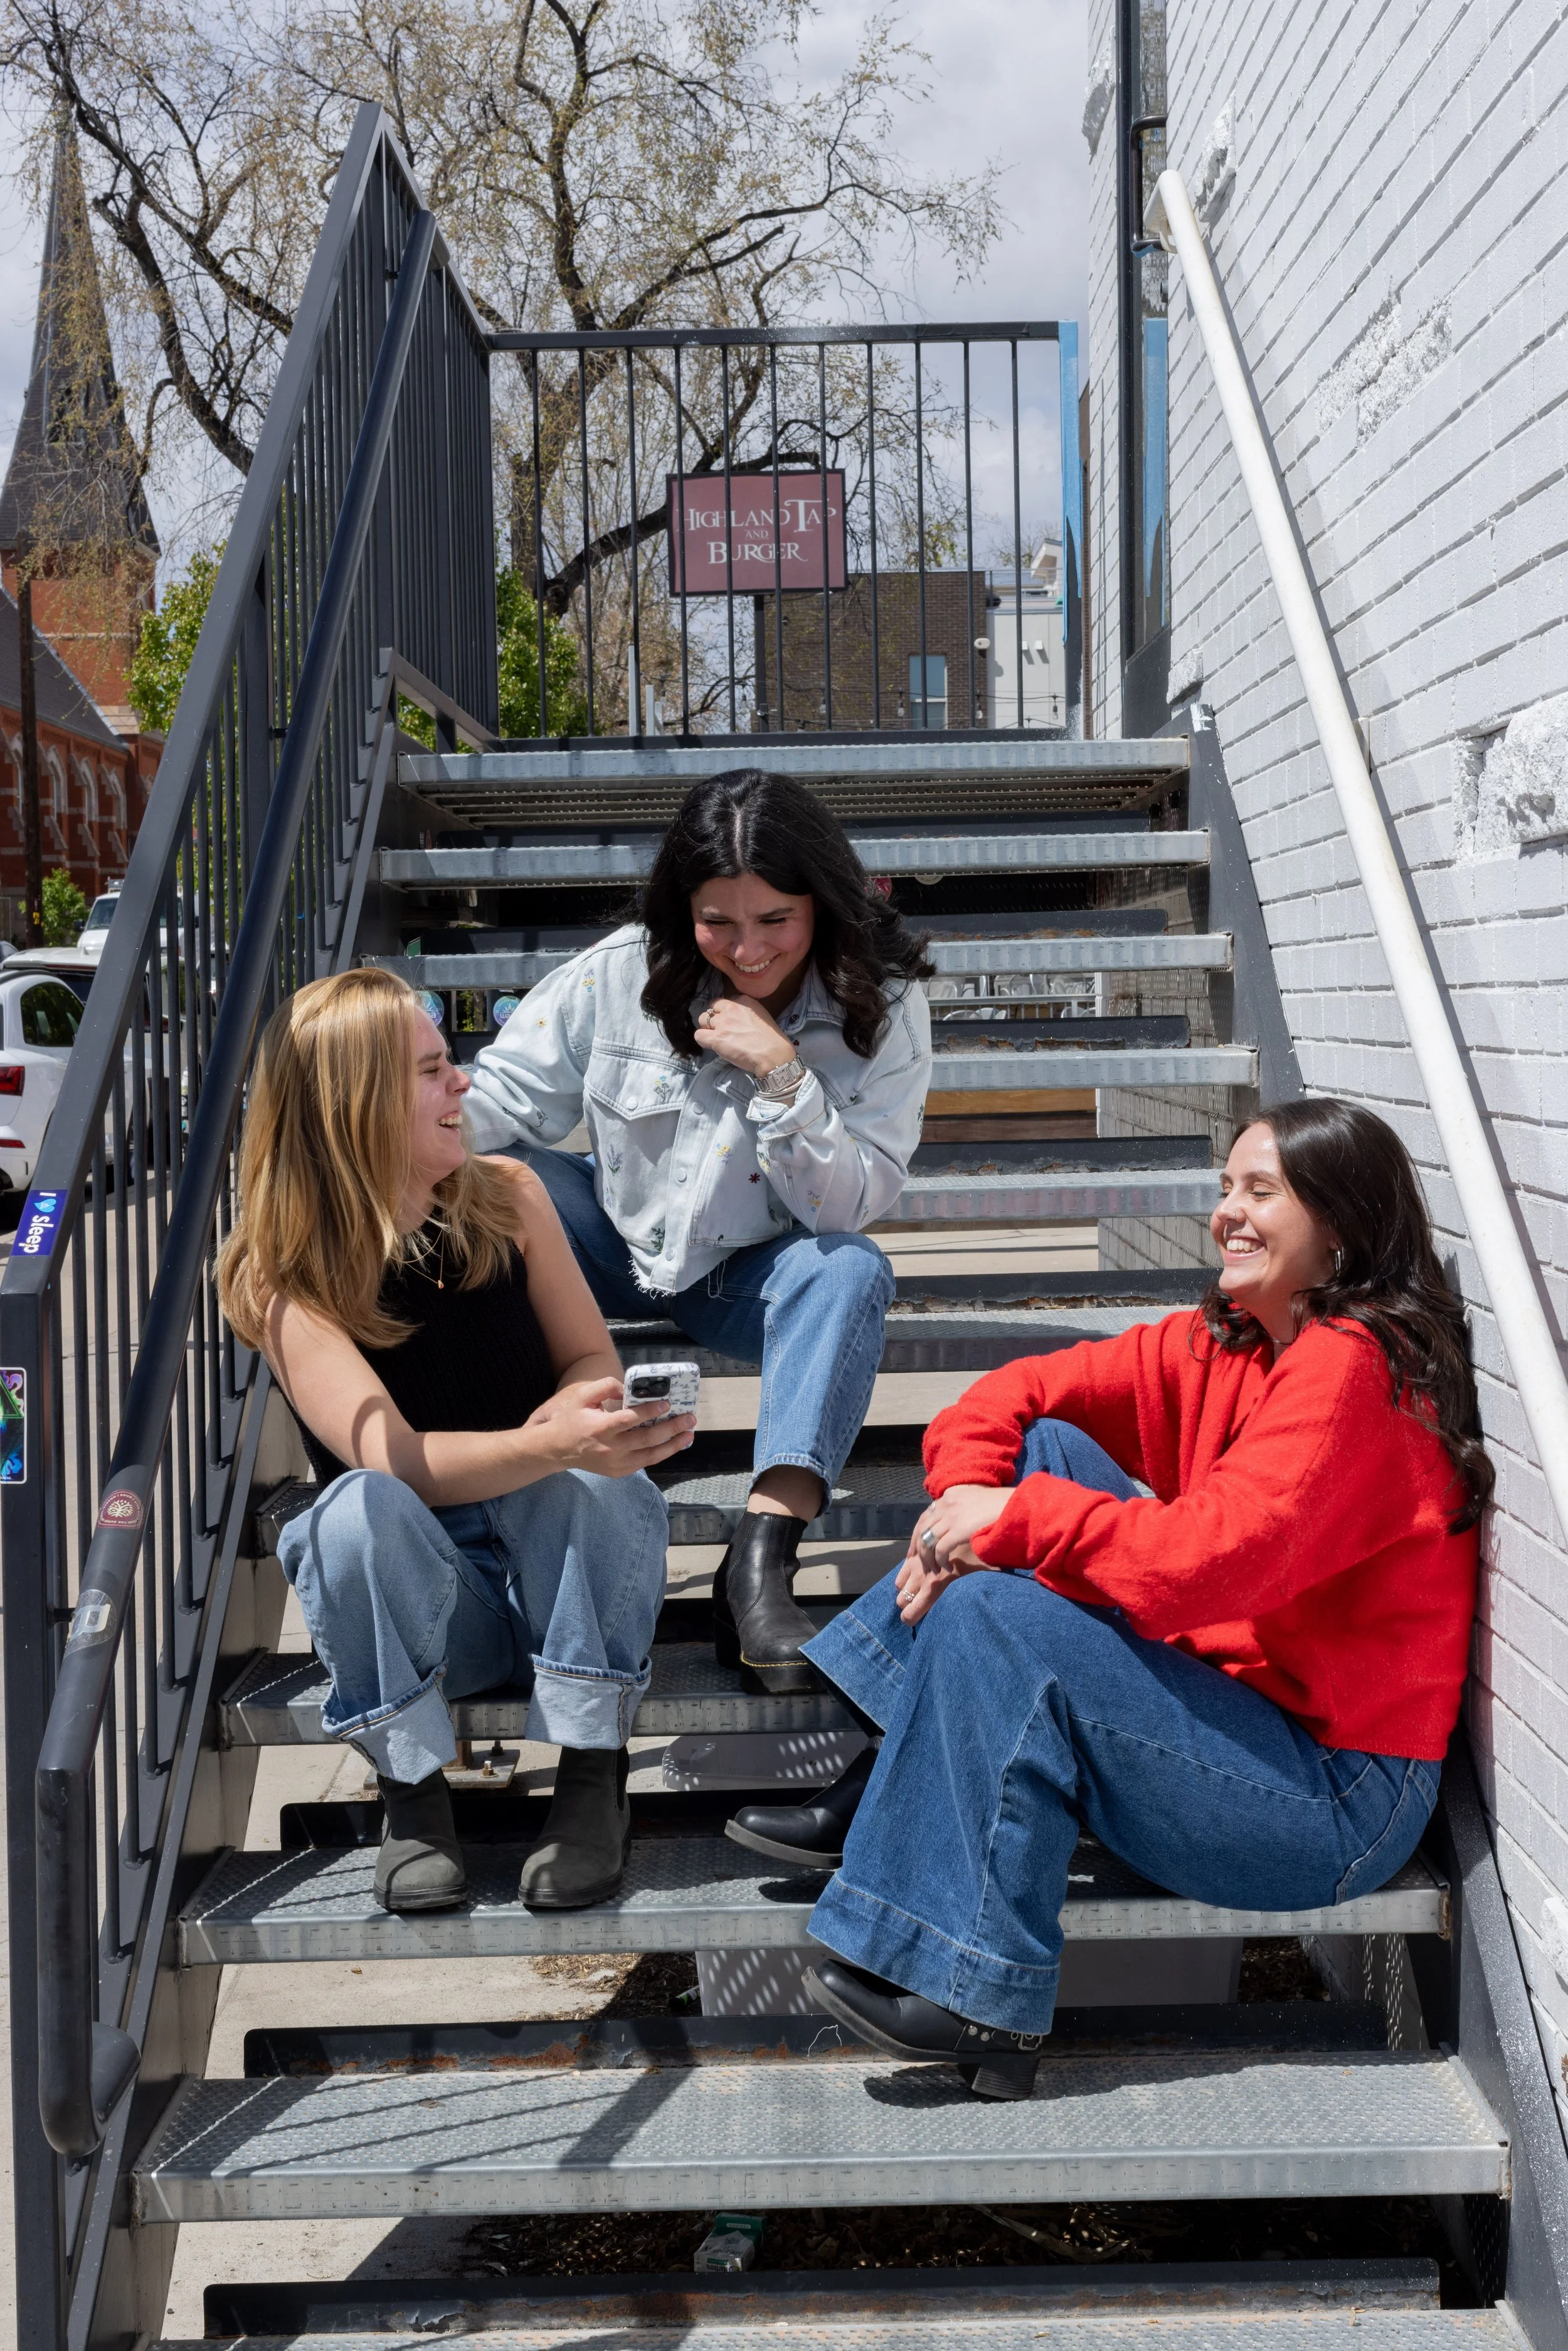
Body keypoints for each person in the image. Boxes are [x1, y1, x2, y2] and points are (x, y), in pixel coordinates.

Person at [728, 1098, 1490, 2100]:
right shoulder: (1237, 1339)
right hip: (1246, 1712)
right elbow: (1011, 1396)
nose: (1229, 1213)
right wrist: (970, 1496)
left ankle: (978, 1995)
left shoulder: (1354, 1374)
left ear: (1341, 1227)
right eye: (1227, 1188)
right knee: (1037, 1456)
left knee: (995, 1610)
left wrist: (1006, 1528)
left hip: (1332, 1800)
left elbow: (1214, 1562)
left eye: (1262, 1192)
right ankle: (894, 1756)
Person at [218, 969, 694, 1915]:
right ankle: (414, 1797)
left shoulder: (510, 1194)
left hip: (564, 1579)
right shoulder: (285, 1275)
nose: (464, 1084)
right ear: (356, 1105)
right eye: (434, 1071)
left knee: (593, 1485)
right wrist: (556, 1441)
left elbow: (586, 1357)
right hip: (445, 1617)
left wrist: (595, 1424)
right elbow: (391, 1459)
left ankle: (593, 1777)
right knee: (349, 1512)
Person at [463, 768, 934, 1695]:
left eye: (776, 920)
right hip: (607, 1239)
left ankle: (760, 1565)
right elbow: (504, 1097)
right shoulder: (622, 968)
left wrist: (785, 1077)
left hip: (747, 1271)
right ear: (684, 910)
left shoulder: (883, 1005)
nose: (748, 949)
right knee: (489, 1182)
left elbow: (846, 1204)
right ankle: (485, 1518)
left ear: (820, 904)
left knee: (849, 1272)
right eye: (720, 922)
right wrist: (369, 1155)